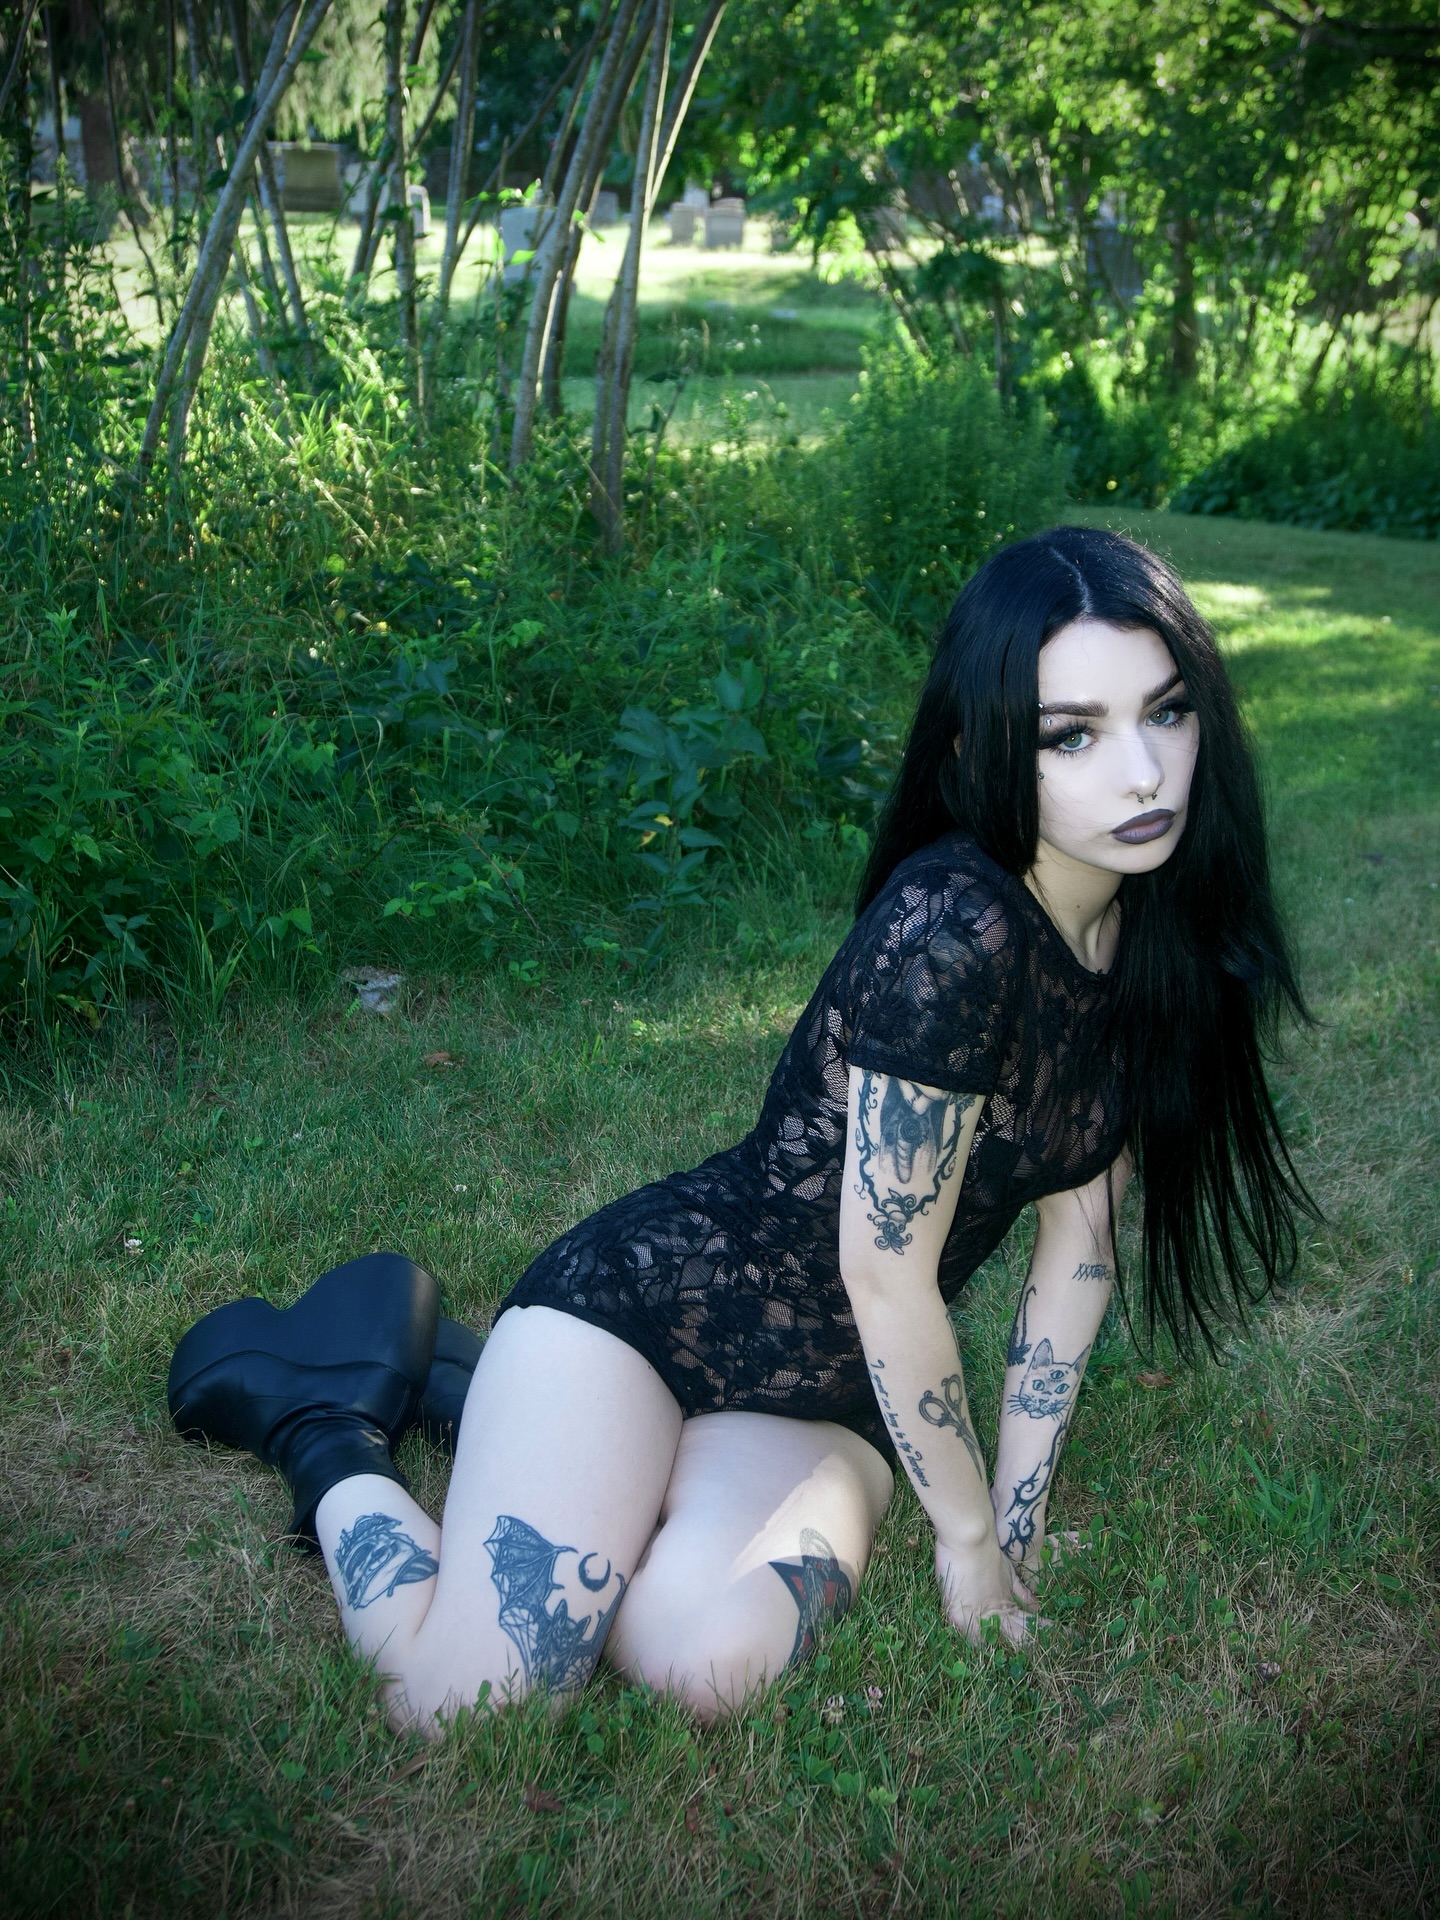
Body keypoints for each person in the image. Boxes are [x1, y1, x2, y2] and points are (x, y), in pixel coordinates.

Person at [169, 525, 1314, 1735]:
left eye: (1166, 712)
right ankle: (329, 1426)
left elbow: (1079, 1247)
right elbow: (887, 1275)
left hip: (824, 1402)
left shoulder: (1155, 935)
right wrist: (964, 1539)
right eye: (1070, 734)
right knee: (476, 1702)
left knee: (704, 1664)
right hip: (650, 1314)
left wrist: (1017, 1531)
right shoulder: (950, 939)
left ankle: (512, 1412)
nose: (1143, 773)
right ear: (981, 747)